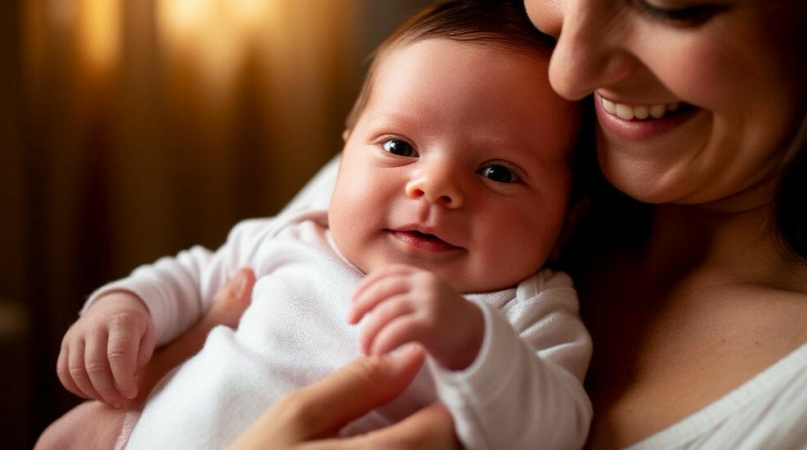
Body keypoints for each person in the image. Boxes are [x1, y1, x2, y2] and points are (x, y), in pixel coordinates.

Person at [223, 0, 807, 448]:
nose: (570, 70)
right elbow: (208, 280)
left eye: (668, 6)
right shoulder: (436, 136)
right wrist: (136, 314)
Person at [38, 1, 593, 449]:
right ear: (346, 150)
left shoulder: (526, 310)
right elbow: (187, 277)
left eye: (498, 172)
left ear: (567, 223)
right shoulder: (296, 234)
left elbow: (557, 430)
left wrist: (473, 345)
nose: (434, 186)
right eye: (399, 146)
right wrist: (123, 309)